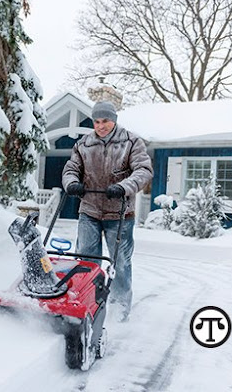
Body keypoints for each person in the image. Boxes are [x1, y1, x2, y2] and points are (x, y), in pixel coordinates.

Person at [61, 100, 153, 321]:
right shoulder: (84, 144)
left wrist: (123, 187)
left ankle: (119, 311)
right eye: (97, 121)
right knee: (86, 260)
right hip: (89, 210)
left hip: (120, 213)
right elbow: (71, 168)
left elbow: (143, 170)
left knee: (120, 263)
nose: (101, 126)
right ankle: (85, 303)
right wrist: (71, 183)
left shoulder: (131, 142)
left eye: (106, 121)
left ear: (114, 120)